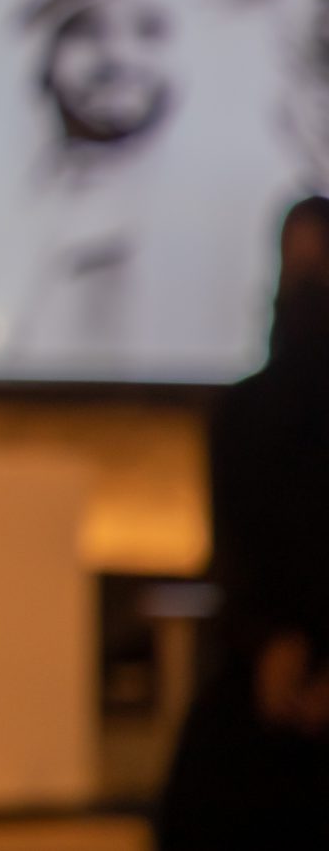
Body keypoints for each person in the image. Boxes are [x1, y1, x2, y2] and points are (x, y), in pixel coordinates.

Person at [157, 196, 329, 845]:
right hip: (258, 689)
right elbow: (235, 560)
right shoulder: (240, 415)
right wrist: (268, 644)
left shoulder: (241, 412)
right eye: (297, 271)